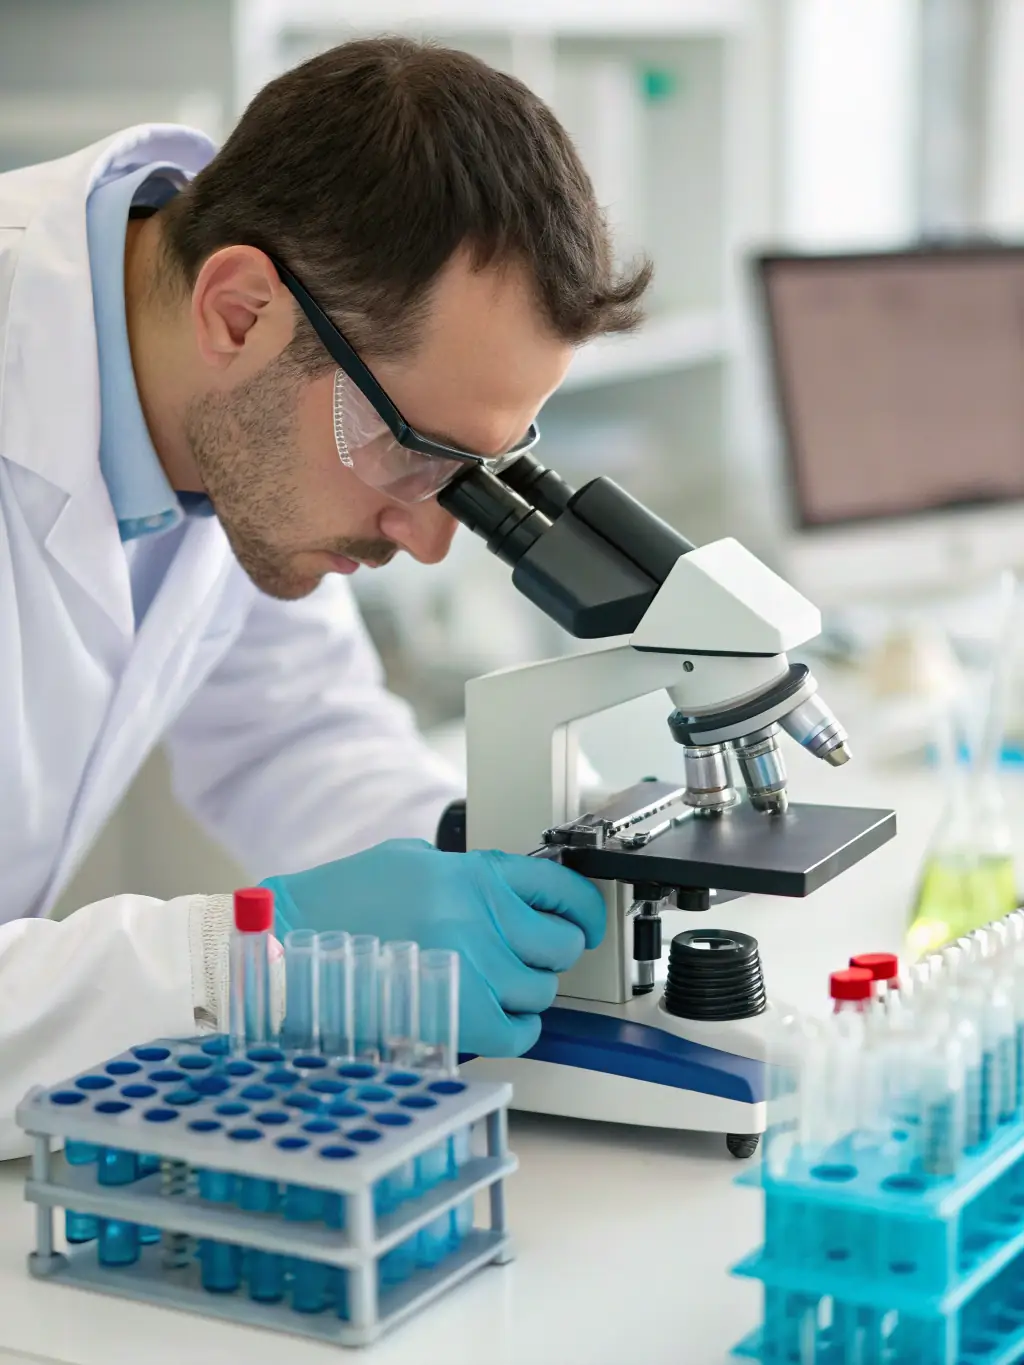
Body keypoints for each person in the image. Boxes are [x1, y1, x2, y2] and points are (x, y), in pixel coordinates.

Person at [0, 37, 651, 1156]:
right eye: (412, 451)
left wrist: (480, 853)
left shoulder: (235, 400)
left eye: (474, 473)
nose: (430, 538)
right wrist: (252, 962)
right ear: (239, 310)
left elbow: (293, 729)